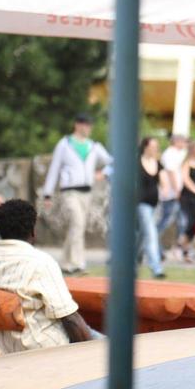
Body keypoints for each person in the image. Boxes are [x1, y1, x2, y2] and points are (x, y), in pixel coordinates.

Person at [0, 199, 92, 354]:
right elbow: (70, 319)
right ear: (33, 231)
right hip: (40, 351)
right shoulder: (41, 262)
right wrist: (89, 355)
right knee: (100, 340)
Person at [42, 113, 113, 275]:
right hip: (69, 192)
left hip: (87, 193)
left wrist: (104, 173)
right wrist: (47, 194)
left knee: (77, 227)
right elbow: (54, 169)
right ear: (77, 125)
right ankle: (78, 264)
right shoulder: (64, 144)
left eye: (90, 125)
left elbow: (112, 162)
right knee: (78, 222)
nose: (88, 128)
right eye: (86, 124)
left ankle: (65, 263)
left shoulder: (94, 146)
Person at [138, 136, 166, 279]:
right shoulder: (137, 162)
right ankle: (156, 268)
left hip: (154, 205)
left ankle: (134, 259)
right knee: (151, 233)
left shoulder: (158, 163)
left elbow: (163, 182)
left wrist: (165, 191)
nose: (155, 149)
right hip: (140, 204)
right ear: (145, 147)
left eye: (157, 146)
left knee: (141, 235)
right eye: (153, 146)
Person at [157, 133, 187, 252]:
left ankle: (179, 248)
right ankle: (153, 243)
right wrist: (176, 190)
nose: (185, 144)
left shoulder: (177, 154)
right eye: (183, 141)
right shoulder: (170, 154)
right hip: (171, 194)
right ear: (176, 142)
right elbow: (171, 172)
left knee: (182, 221)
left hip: (175, 193)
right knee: (166, 221)